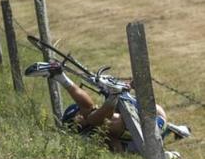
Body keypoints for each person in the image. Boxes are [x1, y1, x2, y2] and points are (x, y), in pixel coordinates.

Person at [39, 61, 168, 153]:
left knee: (97, 119)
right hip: (149, 129)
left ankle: (61, 78)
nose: (81, 115)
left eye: (79, 113)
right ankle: (61, 78)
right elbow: (118, 148)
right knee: (99, 121)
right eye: (77, 116)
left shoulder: (95, 121)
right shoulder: (93, 134)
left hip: (152, 117)